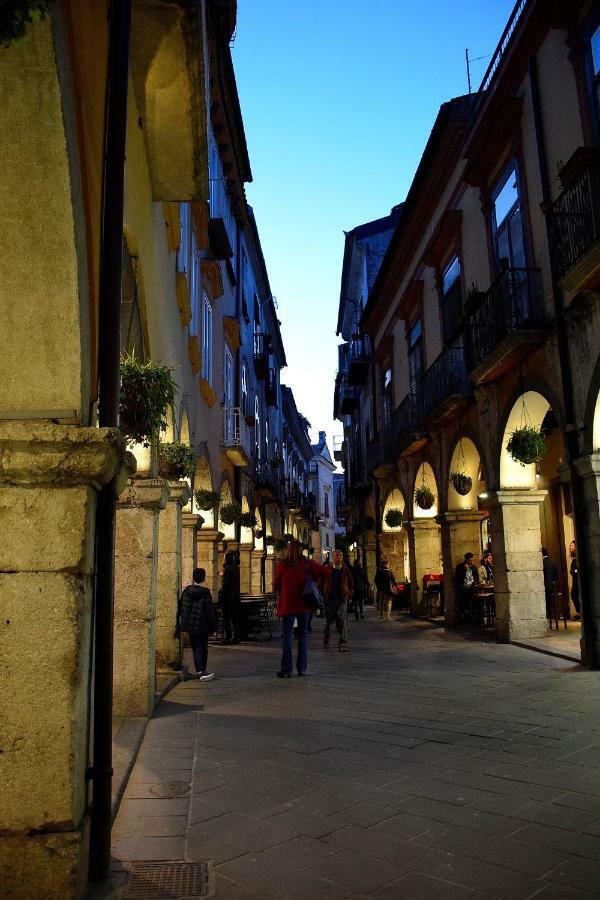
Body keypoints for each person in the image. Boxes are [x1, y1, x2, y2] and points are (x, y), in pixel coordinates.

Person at [273, 541, 330, 677]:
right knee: (302, 638)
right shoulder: (306, 564)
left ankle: (286, 669)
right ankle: (302, 669)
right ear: (300, 550)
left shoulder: (281, 566)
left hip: (287, 606)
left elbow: (276, 586)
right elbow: (326, 572)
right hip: (303, 605)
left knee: (287, 637)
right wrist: (313, 582)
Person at [176, 567, 217, 681]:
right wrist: (214, 627)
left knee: (196, 648)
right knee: (203, 648)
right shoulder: (205, 592)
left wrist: (185, 621)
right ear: (204, 578)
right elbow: (209, 612)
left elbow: (181, 607)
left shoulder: (187, 591)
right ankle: (203, 671)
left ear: (193, 577)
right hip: (202, 626)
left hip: (191, 626)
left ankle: (200, 671)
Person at [323, 549, 353, 650]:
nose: (338, 557)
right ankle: (326, 639)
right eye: (336, 555)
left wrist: (349, 593)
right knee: (328, 622)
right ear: (332, 557)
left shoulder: (346, 570)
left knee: (342, 622)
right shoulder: (327, 569)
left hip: (342, 599)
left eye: (340, 555)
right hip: (330, 599)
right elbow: (320, 582)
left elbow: (351, 583)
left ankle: (343, 642)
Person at [220, 550, 241, 643]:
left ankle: (228, 636)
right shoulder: (236, 568)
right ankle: (236, 636)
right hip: (235, 596)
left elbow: (226, 584)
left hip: (228, 596)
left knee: (226, 617)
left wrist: (222, 594)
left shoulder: (227, 569)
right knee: (235, 617)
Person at [454, 552, 479, 624]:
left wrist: (474, 584)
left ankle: (472, 619)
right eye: (469, 560)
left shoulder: (473, 567)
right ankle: (463, 620)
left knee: (472, 604)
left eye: (471, 560)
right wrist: (465, 570)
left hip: (471, 588)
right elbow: (458, 577)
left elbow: (476, 577)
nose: (471, 562)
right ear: (466, 559)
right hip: (463, 589)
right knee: (463, 605)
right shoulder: (460, 566)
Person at [542, 548, 559, 620]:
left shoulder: (542, 563)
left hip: (544, 586)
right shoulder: (552, 562)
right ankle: (552, 613)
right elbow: (556, 575)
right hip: (552, 586)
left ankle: (547, 614)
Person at [569, 540, 581, 620]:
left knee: (578, 596)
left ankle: (581, 614)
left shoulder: (578, 557)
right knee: (574, 595)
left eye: (572, 545)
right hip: (575, 581)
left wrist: (575, 571)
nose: (570, 547)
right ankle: (579, 613)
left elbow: (577, 569)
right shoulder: (574, 558)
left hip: (578, 581)